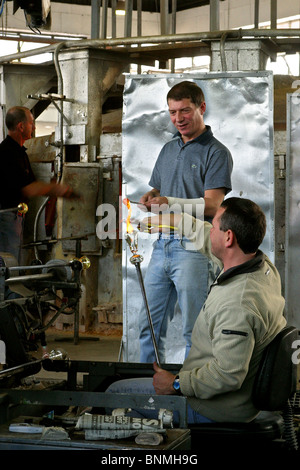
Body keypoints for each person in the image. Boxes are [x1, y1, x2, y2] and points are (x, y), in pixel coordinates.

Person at [107, 197, 286, 423]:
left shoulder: (237, 303)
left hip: (213, 408)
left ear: (229, 237)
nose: (210, 230)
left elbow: (228, 374)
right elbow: (202, 233)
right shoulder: (262, 267)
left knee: (114, 394)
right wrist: (171, 220)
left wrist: (176, 384)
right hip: (234, 398)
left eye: (215, 226)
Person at [138, 80, 233, 363]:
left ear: (202, 108)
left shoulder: (216, 152)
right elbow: (159, 189)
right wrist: (151, 196)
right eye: (172, 112)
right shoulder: (168, 149)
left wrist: (170, 202)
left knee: (196, 330)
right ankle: (147, 391)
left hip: (194, 247)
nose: (178, 118)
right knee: (150, 329)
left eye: (185, 111)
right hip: (162, 245)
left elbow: (214, 204)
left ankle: (192, 396)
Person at [0, 106, 75, 264]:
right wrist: (57, 188)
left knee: (14, 258)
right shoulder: (7, 153)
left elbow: (31, 183)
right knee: (9, 261)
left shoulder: (21, 152)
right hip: (6, 216)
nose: (34, 127)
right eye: (31, 123)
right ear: (21, 126)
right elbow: (28, 188)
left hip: (16, 216)